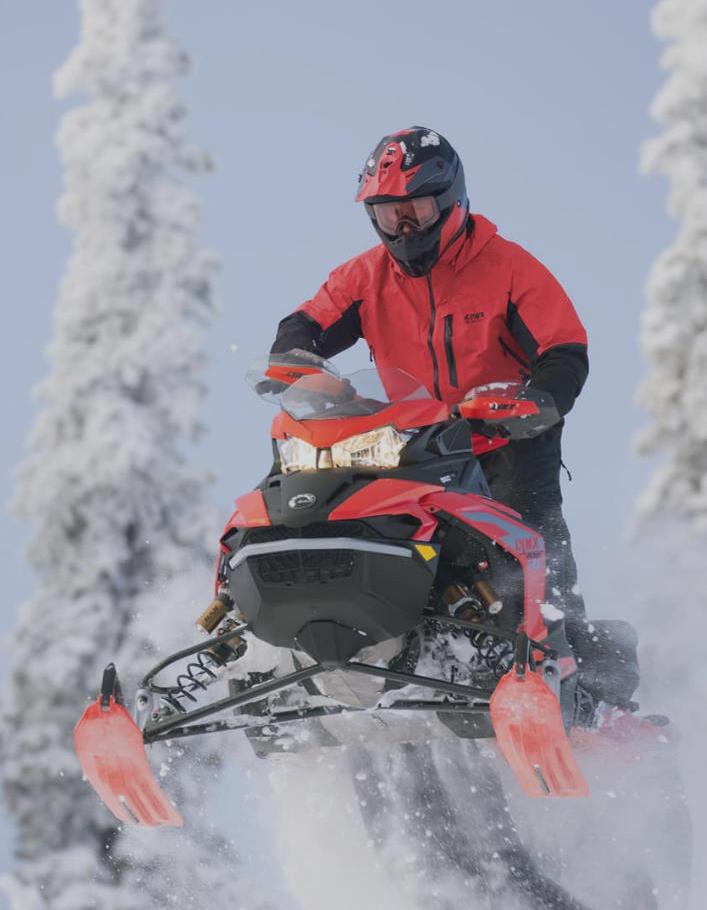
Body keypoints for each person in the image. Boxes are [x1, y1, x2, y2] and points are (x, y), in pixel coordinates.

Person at [267, 125, 637, 712]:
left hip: (505, 437)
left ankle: (571, 679)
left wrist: (539, 400)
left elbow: (564, 348)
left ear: (451, 201)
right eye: (388, 214)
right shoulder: (365, 276)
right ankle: (290, 645)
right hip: (414, 439)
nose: (403, 225)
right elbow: (308, 321)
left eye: (414, 209)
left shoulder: (508, 267)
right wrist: (296, 359)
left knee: (532, 544)